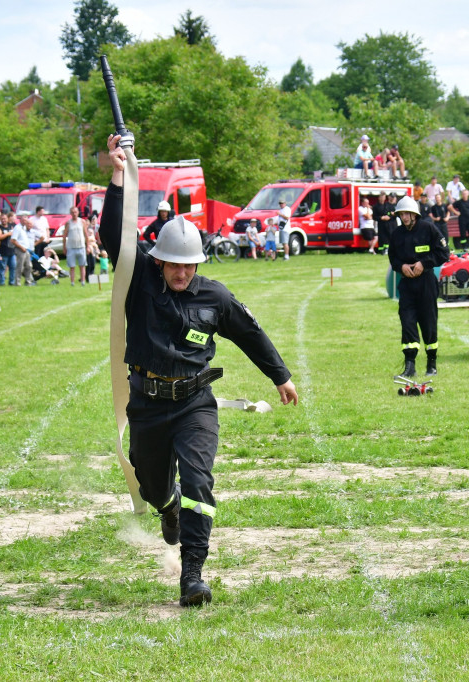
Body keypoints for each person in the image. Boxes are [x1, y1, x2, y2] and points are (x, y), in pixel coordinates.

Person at [102, 133, 298, 607]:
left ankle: (192, 574)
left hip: (195, 404)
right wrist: (116, 174)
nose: (182, 273)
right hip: (146, 402)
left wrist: (280, 374)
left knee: (199, 481)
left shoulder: (215, 296)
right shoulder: (139, 280)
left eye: (189, 266)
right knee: (152, 487)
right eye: (174, 265)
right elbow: (114, 235)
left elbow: (250, 332)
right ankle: (165, 507)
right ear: (161, 259)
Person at [388, 195, 449, 378]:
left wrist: (424, 263)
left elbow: (444, 252)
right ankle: (410, 366)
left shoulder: (428, 228)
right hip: (407, 284)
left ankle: (432, 363)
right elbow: (393, 258)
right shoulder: (397, 234)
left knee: (428, 322)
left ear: (415, 214)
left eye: (407, 213)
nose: (404, 217)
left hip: (426, 283)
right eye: (401, 214)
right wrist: (402, 267)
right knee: (407, 321)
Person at [62, 206, 87, 285]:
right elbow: (64, 235)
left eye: (75, 212)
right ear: (70, 213)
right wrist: (64, 247)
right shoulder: (68, 223)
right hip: (71, 247)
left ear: (78, 212)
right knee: (72, 266)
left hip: (81, 246)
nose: (74, 214)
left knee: (82, 265)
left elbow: (86, 234)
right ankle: (72, 282)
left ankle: (83, 281)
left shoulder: (82, 222)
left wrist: (88, 245)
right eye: (72, 212)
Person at [11, 215, 35, 286]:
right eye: (24, 220)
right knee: (20, 266)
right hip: (20, 249)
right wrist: (21, 247)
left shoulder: (24, 228)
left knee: (29, 266)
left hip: (26, 249)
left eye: (26, 220)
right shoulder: (17, 228)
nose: (25, 222)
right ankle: (17, 282)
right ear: (20, 220)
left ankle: (28, 281)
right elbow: (13, 240)